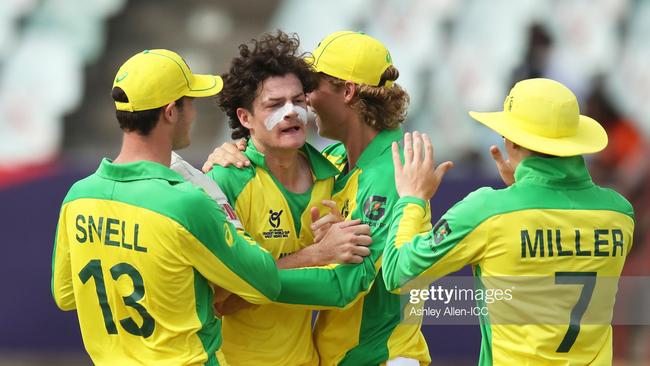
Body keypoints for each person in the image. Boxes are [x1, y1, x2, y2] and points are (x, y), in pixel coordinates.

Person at [203, 31, 433, 366]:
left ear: (348, 91)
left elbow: (344, 285)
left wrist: (247, 283)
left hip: (381, 358)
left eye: (309, 88)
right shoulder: (335, 161)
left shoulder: (395, 172)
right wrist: (239, 147)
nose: (304, 102)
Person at [51, 49, 283, 366]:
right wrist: (213, 196)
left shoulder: (78, 196)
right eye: (192, 103)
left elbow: (66, 295)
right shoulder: (187, 201)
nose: (195, 114)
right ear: (171, 112)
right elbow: (265, 282)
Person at [383, 78, 635, 365]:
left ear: (513, 141)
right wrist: (525, 187)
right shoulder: (620, 213)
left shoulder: (488, 211)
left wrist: (411, 200)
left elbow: (398, 273)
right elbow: (562, 241)